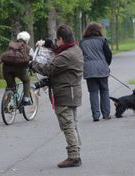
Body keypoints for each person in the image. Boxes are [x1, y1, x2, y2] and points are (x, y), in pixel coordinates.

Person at [29, 25, 83, 168]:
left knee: (68, 125)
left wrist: (32, 63)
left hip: (65, 94)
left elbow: (48, 69)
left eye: (56, 40)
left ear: (61, 39)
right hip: (72, 92)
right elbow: (59, 51)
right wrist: (49, 45)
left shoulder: (66, 55)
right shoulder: (75, 49)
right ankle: (76, 153)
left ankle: (73, 156)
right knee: (72, 125)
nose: (56, 42)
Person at [79, 22, 112, 122]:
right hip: (102, 69)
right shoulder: (102, 40)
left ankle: (96, 115)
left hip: (89, 70)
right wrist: (106, 64)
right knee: (104, 90)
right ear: (98, 30)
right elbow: (108, 55)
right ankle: (106, 114)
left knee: (93, 92)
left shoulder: (82, 42)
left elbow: (80, 56)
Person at [3, 31, 34, 105]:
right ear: (27, 40)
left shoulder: (11, 45)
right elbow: (32, 60)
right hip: (20, 69)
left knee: (10, 86)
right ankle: (26, 98)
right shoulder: (28, 48)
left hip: (6, 69)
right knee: (26, 81)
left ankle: (6, 105)